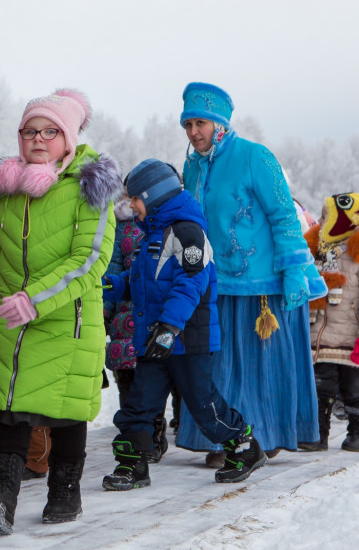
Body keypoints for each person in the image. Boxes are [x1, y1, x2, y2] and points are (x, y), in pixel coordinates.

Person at [0, 89, 122, 535]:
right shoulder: (6, 192)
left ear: (68, 138)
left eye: (49, 131)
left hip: (68, 320)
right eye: (29, 130)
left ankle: (65, 493)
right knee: (10, 408)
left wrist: (34, 299)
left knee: (65, 410)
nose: (37, 138)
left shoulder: (89, 189)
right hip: (12, 321)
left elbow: (89, 260)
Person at [178, 82, 327, 460]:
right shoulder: (192, 166)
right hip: (216, 282)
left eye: (200, 123)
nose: (194, 132)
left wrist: (293, 270)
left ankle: (264, 436)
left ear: (220, 124)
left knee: (261, 367)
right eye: (188, 124)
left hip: (264, 287)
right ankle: (227, 438)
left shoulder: (255, 156)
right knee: (220, 366)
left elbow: (284, 216)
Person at [101, 159, 267, 490]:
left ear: (154, 195)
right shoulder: (153, 233)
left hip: (187, 339)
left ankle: (244, 447)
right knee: (139, 404)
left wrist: (169, 327)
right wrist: (112, 286)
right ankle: (132, 465)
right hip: (155, 338)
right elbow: (145, 283)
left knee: (203, 406)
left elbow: (191, 284)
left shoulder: (188, 232)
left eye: (135, 199)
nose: (131, 206)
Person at [299, 193, 359, 452]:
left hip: (351, 334)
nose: (324, 220)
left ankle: (357, 431)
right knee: (320, 386)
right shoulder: (315, 250)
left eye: (330, 215)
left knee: (355, 387)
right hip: (318, 334)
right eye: (323, 215)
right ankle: (318, 435)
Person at [103, 186, 172, 463]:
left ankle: (154, 435)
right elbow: (113, 266)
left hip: (152, 314)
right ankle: (132, 436)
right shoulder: (120, 226)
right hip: (124, 315)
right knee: (126, 381)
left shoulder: (165, 224)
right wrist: (105, 310)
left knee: (151, 380)